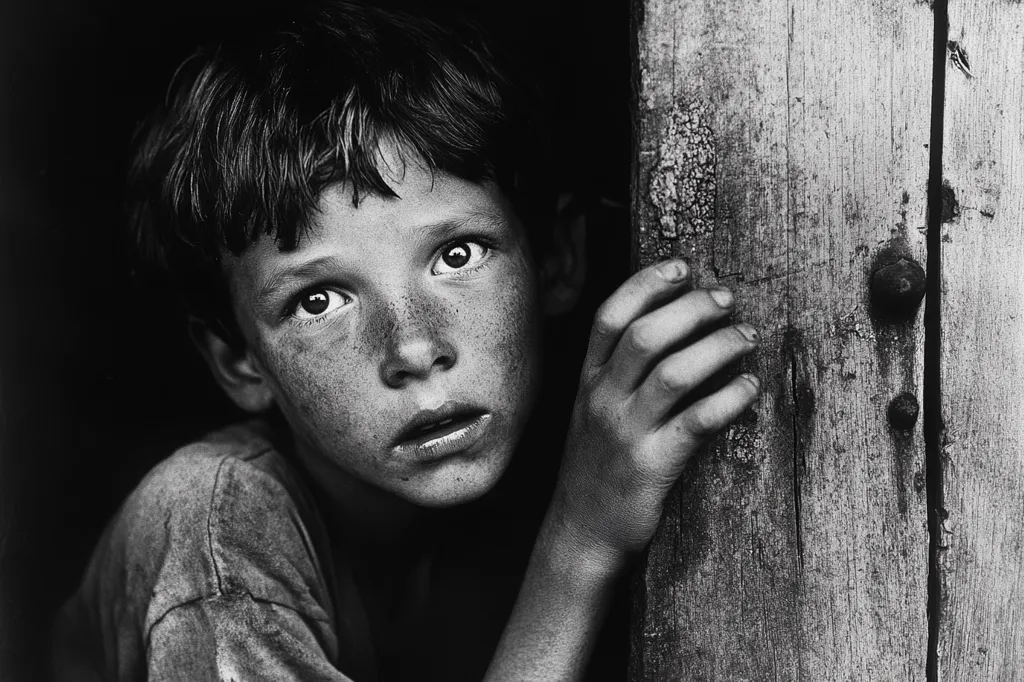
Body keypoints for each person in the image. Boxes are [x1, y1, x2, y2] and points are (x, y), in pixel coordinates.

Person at [51, 1, 761, 679]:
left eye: (457, 255)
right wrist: (580, 541)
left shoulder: (508, 492)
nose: (414, 349)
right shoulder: (214, 533)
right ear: (237, 359)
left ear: (557, 259)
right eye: (317, 299)